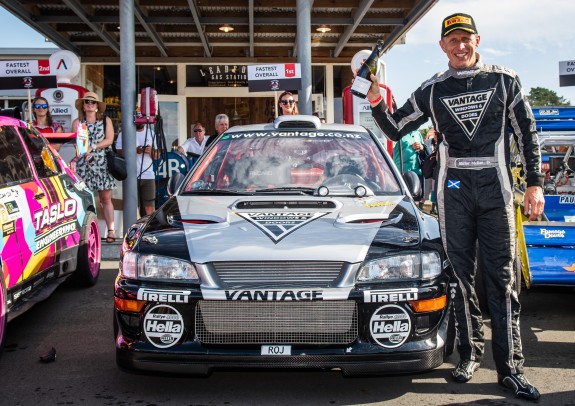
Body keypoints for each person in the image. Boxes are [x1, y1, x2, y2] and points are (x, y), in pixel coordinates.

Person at [365, 13, 544, 401]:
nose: (460, 47)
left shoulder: (504, 80)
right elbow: (395, 128)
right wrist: (376, 100)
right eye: (452, 41)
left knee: (502, 278)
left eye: (466, 39)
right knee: (460, 277)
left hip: (496, 190)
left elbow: (527, 131)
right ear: (443, 47)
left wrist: (534, 185)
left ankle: (511, 368)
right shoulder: (434, 89)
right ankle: (469, 354)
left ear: (477, 41)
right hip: (454, 192)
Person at [71, 92, 117, 243]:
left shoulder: (105, 120)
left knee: (106, 198)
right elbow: (76, 143)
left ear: (97, 106)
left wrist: (93, 147)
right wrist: (84, 151)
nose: (90, 104)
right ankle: (86, 233)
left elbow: (109, 140)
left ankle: (111, 230)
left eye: (93, 102)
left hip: (102, 163)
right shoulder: (77, 122)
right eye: (87, 102)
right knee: (84, 199)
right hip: (83, 164)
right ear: (83, 106)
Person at [116, 111, 159, 217]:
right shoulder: (125, 133)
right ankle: (135, 229)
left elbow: (157, 155)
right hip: (131, 175)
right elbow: (118, 151)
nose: (141, 121)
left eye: (143, 119)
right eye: (139, 119)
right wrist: (135, 150)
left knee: (150, 206)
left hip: (148, 175)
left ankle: (149, 229)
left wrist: (151, 151)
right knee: (133, 206)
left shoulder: (151, 133)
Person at [393, 129, 428, 209]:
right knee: (402, 198)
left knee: (415, 198)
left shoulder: (417, 133)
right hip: (401, 171)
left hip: (416, 171)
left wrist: (421, 147)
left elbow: (423, 149)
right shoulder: (398, 132)